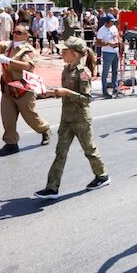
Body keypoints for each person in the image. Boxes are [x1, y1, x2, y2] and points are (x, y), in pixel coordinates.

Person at [34, 36, 110, 199]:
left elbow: (87, 99)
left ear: (75, 54)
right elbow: (65, 92)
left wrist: (66, 92)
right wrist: (50, 93)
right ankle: (52, 188)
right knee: (60, 153)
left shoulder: (83, 73)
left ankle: (102, 176)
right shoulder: (66, 69)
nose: (62, 53)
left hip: (81, 119)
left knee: (89, 150)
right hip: (66, 118)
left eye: (65, 51)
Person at [0, 23, 51, 156]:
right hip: (8, 88)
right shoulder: (9, 46)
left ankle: (44, 130)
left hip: (23, 89)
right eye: (15, 31)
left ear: (27, 36)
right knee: (7, 117)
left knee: (30, 117)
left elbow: (28, 65)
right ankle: (11, 144)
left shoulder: (28, 50)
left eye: (19, 32)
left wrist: (9, 61)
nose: (16, 34)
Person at [96, 14, 120, 99]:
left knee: (115, 71)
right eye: (112, 21)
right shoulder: (101, 30)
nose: (113, 23)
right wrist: (108, 43)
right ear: (107, 22)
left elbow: (117, 37)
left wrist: (119, 42)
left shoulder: (114, 28)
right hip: (107, 52)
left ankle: (115, 89)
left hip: (115, 51)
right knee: (105, 72)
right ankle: (105, 91)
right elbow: (97, 43)